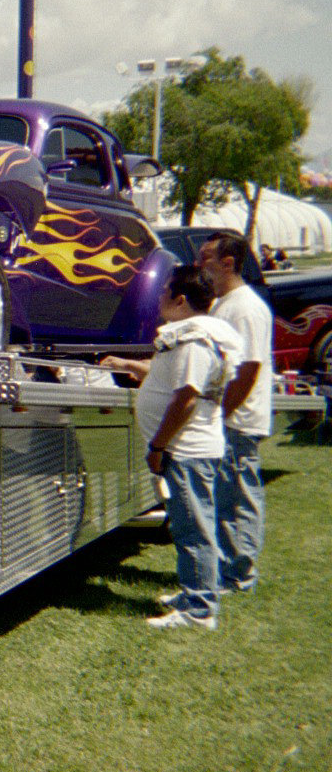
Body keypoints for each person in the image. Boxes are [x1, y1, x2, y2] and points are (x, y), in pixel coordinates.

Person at [102, 266, 241, 630]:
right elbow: (171, 377)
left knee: (193, 528)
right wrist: (129, 364)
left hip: (187, 450)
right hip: (190, 450)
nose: (159, 297)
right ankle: (195, 592)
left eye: (165, 292)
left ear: (181, 300)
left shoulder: (195, 341)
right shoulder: (193, 338)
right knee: (190, 524)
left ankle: (199, 611)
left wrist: (159, 445)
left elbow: (186, 398)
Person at [197, 231, 274, 595]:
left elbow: (249, 369)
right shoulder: (222, 303)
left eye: (206, 259)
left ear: (228, 263)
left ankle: (238, 573)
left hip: (237, 421)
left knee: (238, 497)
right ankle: (228, 567)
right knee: (224, 497)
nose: (200, 267)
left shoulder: (244, 307)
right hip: (225, 417)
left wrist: (220, 414)